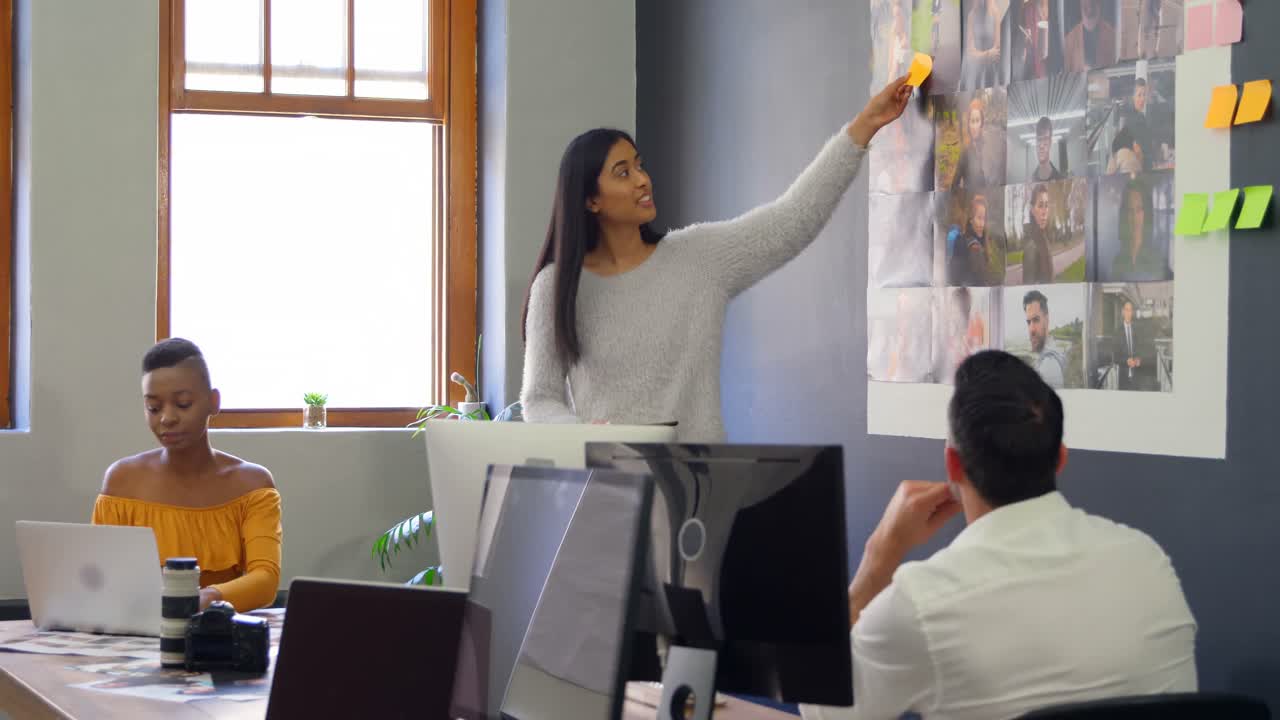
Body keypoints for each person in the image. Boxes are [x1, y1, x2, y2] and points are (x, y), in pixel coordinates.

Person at [800, 350, 1197, 720]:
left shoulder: (923, 604)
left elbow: (822, 709)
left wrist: (879, 556)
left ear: (953, 466)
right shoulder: (1148, 562)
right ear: (1060, 457)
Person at [520, 77, 914, 441]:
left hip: (699, 488)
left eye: (639, 165)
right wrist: (584, 433)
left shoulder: (699, 258)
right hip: (606, 490)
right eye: (623, 173)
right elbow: (539, 399)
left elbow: (791, 221)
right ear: (590, 199)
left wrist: (864, 126)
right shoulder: (556, 286)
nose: (642, 179)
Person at [93, 339, 282, 612]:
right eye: (154, 408)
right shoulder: (121, 482)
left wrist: (198, 601)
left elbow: (265, 580)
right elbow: (100, 577)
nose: (167, 418)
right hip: (136, 635)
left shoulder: (252, 485)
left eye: (183, 404)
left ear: (213, 402)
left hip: (215, 632)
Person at [1110, 179, 1167, 281]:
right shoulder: (1118, 261)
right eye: (1129, 210)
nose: (1134, 217)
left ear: (1146, 213)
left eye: (1139, 209)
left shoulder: (1157, 259)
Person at [1022, 290, 1068, 388]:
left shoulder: (1049, 365)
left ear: (1046, 320)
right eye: (1028, 322)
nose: (1031, 329)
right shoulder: (1048, 355)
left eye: (1036, 320)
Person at [948, 193, 992, 286]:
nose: (982, 224)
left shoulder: (961, 238)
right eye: (979, 218)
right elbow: (982, 283)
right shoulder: (974, 247)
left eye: (984, 219)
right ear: (971, 219)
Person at [1064, 0, 1117, 71]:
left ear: (1099, 4)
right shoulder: (1070, 40)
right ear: (1080, 5)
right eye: (1085, 5)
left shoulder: (1112, 36)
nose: (1089, 9)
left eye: (1093, 4)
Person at [1116, 299, 1156, 391]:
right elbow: (1115, 356)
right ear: (1123, 312)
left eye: (1130, 310)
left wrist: (1139, 359)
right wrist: (1126, 361)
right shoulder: (1117, 332)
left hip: (1137, 377)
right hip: (1123, 378)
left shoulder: (1138, 330)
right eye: (1126, 310)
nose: (1128, 313)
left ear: (1132, 312)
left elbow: (1142, 350)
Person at [1020, 184, 1057, 284]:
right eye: (1040, 206)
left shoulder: (1043, 238)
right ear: (1032, 210)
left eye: (1046, 205)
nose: (1044, 211)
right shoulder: (1031, 247)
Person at [950, 98, 989, 191]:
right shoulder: (965, 153)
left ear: (982, 123)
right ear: (968, 124)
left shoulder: (988, 147)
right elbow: (954, 185)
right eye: (972, 121)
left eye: (977, 120)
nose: (975, 126)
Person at [962, 0, 1001, 89]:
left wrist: (978, 55)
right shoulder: (971, 15)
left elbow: (996, 51)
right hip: (976, 70)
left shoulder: (995, 12)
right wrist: (987, 54)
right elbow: (969, 53)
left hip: (992, 69)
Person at [1120, 78, 1153, 172]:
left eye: (1144, 95)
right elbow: (1139, 151)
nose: (1143, 99)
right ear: (1132, 97)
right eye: (1139, 95)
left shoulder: (1139, 116)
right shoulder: (1134, 120)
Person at [1031, 116, 1063, 182]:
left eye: (1045, 139)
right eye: (1039, 139)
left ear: (1050, 143)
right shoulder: (1031, 180)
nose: (1041, 146)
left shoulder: (1060, 179)